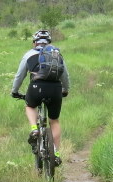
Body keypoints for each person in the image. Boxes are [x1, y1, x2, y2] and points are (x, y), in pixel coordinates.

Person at [10, 29, 69, 166]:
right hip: (55, 89)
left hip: (37, 87)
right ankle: (56, 152)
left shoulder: (29, 54)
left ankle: (34, 129)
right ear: (49, 43)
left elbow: (20, 76)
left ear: (34, 43)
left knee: (30, 105)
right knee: (54, 121)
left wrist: (15, 91)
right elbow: (65, 75)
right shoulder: (56, 54)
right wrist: (65, 89)